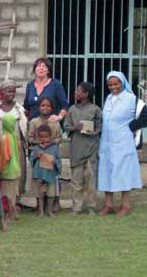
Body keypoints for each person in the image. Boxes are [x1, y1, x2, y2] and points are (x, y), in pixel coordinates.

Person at [98, 71, 147, 217]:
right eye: (110, 84)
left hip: (123, 143)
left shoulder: (132, 99)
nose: (113, 87)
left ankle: (125, 205)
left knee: (123, 173)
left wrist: (131, 127)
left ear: (122, 83)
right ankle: (108, 205)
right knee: (106, 172)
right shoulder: (108, 98)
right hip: (106, 143)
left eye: (116, 84)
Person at [64, 82, 102, 215]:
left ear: (86, 94)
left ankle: (91, 207)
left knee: (91, 179)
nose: (75, 93)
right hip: (76, 149)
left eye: (78, 91)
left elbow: (99, 127)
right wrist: (75, 128)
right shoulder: (72, 109)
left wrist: (95, 132)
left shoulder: (95, 109)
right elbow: (67, 127)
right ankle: (76, 208)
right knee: (76, 180)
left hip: (91, 149)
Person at [27, 98, 63, 213]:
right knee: (39, 184)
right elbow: (30, 138)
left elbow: (60, 137)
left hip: (51, 154)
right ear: (39, 107)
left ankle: (53, 206)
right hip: (39, 155)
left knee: (52, 184)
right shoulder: (34, 122)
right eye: (42, 105)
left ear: (52, 108)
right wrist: (40, 143)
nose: (45, 108)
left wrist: (51, 143)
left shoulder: (55, 121)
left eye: (48, 106)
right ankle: (39, 207)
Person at [0, 80, 29, 204]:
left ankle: (15, 201)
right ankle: (2, 202)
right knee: (2, 171)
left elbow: (23, 127)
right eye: (8, 91)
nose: (11, 94)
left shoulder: (19, 109)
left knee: (17, 172)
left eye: (13, 91)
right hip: (0, 145)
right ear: (2, 92)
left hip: (16, 145)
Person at [30, 124, 61, 217]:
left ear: (50, 137)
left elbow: (59, 160)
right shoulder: (36, 148)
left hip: (50, 175)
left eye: (46, 136)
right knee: (40, 194)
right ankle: (41, 211)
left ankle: (50, 211)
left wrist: (54, 161)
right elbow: (31, 160)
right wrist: (36, 156)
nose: (43, 139)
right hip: (39, 175)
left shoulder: (54, 148)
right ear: (38, 137)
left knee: (51, 194)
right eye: (41, 137)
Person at [0, 114, 22, 221]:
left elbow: (6, 156)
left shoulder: (4, 138)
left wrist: (0, 169)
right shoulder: (14, 136)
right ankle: (15, 213)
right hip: (16, 169)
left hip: (8, 171)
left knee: (7, 194)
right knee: (13, 194)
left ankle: (11, 214)